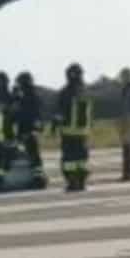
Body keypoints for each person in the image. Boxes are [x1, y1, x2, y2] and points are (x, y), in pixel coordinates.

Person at [54, 63, 93, 192]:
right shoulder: (85, 91)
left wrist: (54, 126)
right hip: (83, 132)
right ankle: (81, 182)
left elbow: (60, 112)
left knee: (69, 158)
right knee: (82, 158)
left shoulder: (66, 92)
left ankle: (72, 182)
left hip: (68, 131)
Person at [14, 71, 47, 188]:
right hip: (32, 128)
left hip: (27, 129)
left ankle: (38, 178)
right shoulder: (34, 95)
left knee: (32, 154)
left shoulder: (27, 96)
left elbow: (22, 113)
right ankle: (38, 176)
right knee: (33, 154)